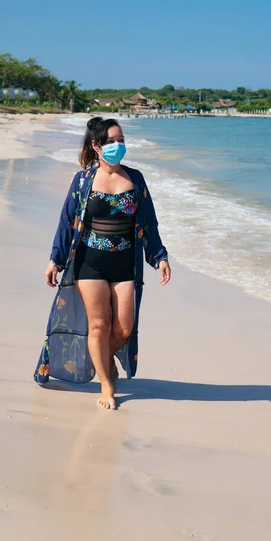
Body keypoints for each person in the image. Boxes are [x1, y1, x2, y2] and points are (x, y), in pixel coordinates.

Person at [35, 117, 170, 410]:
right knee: (99, 325)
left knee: (122, 329)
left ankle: (103, 358)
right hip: (89, 263)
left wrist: (159, 256)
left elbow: (149, 220)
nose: (119, 146)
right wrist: (54, 260)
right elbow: (67, 221)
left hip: (124, 265)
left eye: (121, 140)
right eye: (112, 141)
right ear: (97, 146)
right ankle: (107, 385)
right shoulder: (83, 180)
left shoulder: (135, 178)